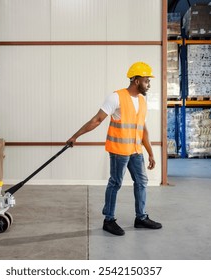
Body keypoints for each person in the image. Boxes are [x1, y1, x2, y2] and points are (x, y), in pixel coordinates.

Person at [67, 62, 162, 236]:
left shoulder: (142, 101)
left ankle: (140, 218)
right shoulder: (116, 97)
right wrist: (75, 136)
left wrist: (150, 152)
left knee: (142, 182)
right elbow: (96, 120)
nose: (149, 84)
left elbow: (143, 129)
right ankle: (108, 220)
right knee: (116, 183)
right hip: (119, 150)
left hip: (136, 151)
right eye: (147, 80)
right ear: (136, 81)